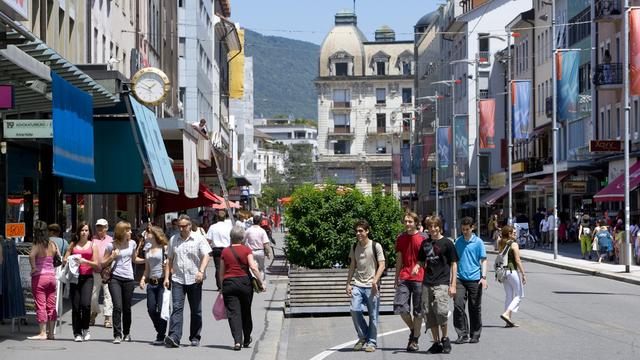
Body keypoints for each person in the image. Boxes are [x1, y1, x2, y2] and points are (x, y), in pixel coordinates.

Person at [164, 214, 212, 348]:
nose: (181, 229)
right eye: (179, 226)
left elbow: (206, 255)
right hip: (178, 278)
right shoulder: (174, 239)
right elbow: (170, 259)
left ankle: (195, 336)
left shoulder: (198, 238)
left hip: (194, 279)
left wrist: (201, 271)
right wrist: (167, 277)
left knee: (196, 310)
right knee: (177, 308)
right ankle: (174, 336)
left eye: (184, 226)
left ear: (190, 226)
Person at [414, 215, 457, 354]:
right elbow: (421, 260)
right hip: (427, 282)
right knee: (429, 313)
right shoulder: (425, 244)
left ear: (440, 227)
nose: (433, 229)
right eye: (430, 227)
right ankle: (436, 342)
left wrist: (453, 285)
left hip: (442, 282)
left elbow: (454, 263)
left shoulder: (447, 243)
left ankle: (445, 339)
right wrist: (417, 267)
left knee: (441, 311)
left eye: (435, 226)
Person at [219, 226, 266, 351]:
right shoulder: (246, 250)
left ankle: (237, 341)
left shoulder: (225, 251)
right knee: (246, 311)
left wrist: (221, 286)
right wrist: (261, 282)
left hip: (229, 283)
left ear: (231, 237)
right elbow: (253, 267)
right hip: (244, 283)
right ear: (242, 238)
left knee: (233, 314)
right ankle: (246, 338)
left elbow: (221, 272)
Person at [346, 219, 385, 353]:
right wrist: (348, 283)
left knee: (373, 316)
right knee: (354, 309)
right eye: (356, 231)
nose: (358, 233)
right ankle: (363, 336)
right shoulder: (354, 246)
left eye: (361, 231)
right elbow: (352, 266)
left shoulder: (376, 246)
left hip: (371, 286)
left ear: (367, 231)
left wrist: (375, 280)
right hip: (358, 284)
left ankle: (371, 342)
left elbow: (382, 265)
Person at [394, 212, 426, 352]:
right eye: (405, 221)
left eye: (410, 222)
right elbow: (399, 259)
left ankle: (414, 340)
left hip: (420, 278)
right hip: (405, 276)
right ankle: (413, 330)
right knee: (401, 307)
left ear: (416, 223)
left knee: (418, 312)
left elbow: (428, 258)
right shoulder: (400, 238)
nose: (407, 224)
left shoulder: (423, 238)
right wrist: (396, 277)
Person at [453, 217, 488, 344]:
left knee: (474, 307)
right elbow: (454, 261)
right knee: (458, 305)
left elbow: (483, 260)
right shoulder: (458, 242)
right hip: (460, 279)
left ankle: (475, 333)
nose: (465, 232)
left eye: (467, 229)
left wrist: (483, 277)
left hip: (475, 279)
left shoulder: (478, 242)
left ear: (472, 228)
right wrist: (452, 280)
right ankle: (462, 334)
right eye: (463, 229)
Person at [64, 221, 100, 342]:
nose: (84, 232)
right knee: (75, 306)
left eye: (86, 230)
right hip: (74, 277)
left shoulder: (92, 245)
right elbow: (65, 259)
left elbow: (96, 264)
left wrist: (85, 262)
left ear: (89, 232)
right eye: (82, 230)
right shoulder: (73, 244)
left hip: (87, 277)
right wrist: (70, 259)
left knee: (86, 304)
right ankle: (77, 333)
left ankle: (86, 328)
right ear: (78, 232)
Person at [102, 221, 137, 343]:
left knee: (127, 308)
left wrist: (148, 261)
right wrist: (112, 257)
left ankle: (126, 333)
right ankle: (117, 334)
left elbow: (134, 259)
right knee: (117, 306)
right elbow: (103, 263)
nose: (131, 232)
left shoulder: (133, 244)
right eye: (128, 230)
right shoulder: (111, 246)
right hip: (115, 278)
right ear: (122, 232)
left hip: (129, 278)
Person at [27, 220, 60, 340]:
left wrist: (34, 267)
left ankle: (42, 333)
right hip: (52, 277)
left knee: (41, 305)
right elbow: (57, 255)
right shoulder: (52, 244)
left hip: (40, 277)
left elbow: (31, 255)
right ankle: (51, 333)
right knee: (51, 305)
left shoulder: (37, 244)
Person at [139, 226, 169, 345]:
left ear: (155, 234)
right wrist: (142, 279)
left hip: (162, 282)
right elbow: (147, 268)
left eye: (148, 233)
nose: (146, 235)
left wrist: (167, 270)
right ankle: (160, 329)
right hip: (151, 282)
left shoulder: (164, 248)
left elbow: (171, 264)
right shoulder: (147, 250)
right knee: (151, 309)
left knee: (162, 309)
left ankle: (160, 335)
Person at [497, 226, 526, 328]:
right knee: (519, 295)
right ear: (509, 234)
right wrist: (523, 273)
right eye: (513, 233)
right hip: (512, 271)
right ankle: (506, 314)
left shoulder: (500, 243)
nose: (515, 234)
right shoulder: (514, 244)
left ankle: (507, 321)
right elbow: (517, 261)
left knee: (509, 295)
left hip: (503, 272)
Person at [90, 218, 113, 328]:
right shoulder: (92, 240)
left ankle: (108, 318)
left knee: (108, 295)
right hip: (95, 271)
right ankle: (94, 312)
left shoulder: (111, 240)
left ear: (106, 228)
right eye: (98, 226)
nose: (100, 228)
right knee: (93, 296)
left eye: (102, 226)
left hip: (107, 271)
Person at [206, 210, 232, 290]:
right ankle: (227, 283)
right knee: (227, 267)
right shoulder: (229, 227)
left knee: (218, 268)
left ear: (217, 218)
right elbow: (232, 238)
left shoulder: (213, 227)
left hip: (216, 249)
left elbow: (208, 240)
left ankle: (220, 285)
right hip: (227, 249)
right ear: (225, 218)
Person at [244, 214, 273, 281]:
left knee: (252, 267)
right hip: (260, 252)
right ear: (260, 222)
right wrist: (268, 253)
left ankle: (254, 282)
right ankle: (261, 283)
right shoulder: (262, 231)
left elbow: (243, 240)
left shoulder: (248, 230)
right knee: (261, 268)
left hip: (251, 252)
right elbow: (266, 244)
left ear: (253, 221)